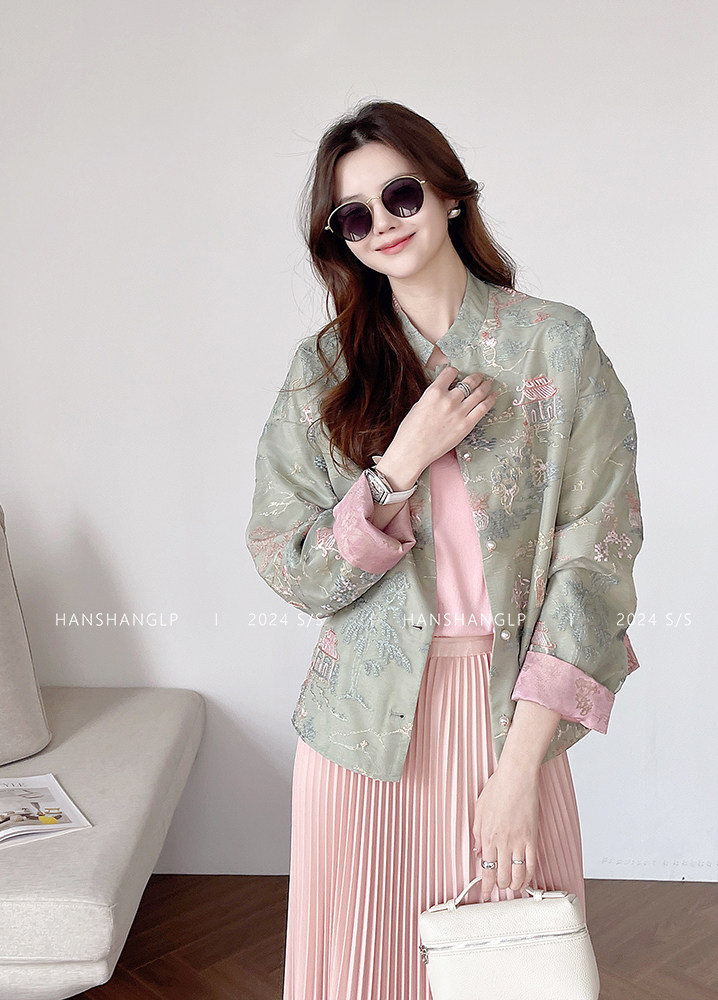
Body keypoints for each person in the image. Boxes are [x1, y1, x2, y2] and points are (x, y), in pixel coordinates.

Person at [246, 99, 643, 1000]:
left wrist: (518, 771)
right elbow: (289, 562)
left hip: (504, 716)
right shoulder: (324, 373)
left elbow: (597, 560)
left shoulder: (555, 345)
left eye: (400, 195)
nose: (384, 224)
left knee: (513, 967)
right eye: (355, 216)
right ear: (340, 241)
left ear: (449, 193)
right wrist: (395, 468)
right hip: (361, 733)